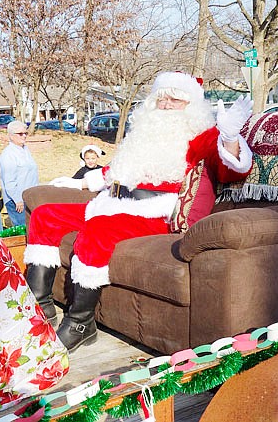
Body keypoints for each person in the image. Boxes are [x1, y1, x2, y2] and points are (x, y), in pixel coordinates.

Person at [24, 71, 253, 352]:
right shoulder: (143, 135)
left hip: (153, 213)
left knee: (98, 231)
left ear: (192, 106)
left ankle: (81, 323)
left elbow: (230, 170)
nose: (166, 105)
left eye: (175, 100)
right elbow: (118, 170)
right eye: (161, 98)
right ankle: (39, 304)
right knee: (46, 215)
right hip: (111, 201)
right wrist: (81, 182)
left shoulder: (200, 137)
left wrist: (229, 137)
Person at [0, 121, 39, 227]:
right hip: (17, 201)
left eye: (25, 133)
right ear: (11, 136)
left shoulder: (25, 149)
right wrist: (18, 200)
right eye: (20, 134)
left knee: (33, 229)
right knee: (23, 230)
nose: (24, 136)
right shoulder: (8, 155)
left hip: (30, 197)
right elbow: (9, 181)